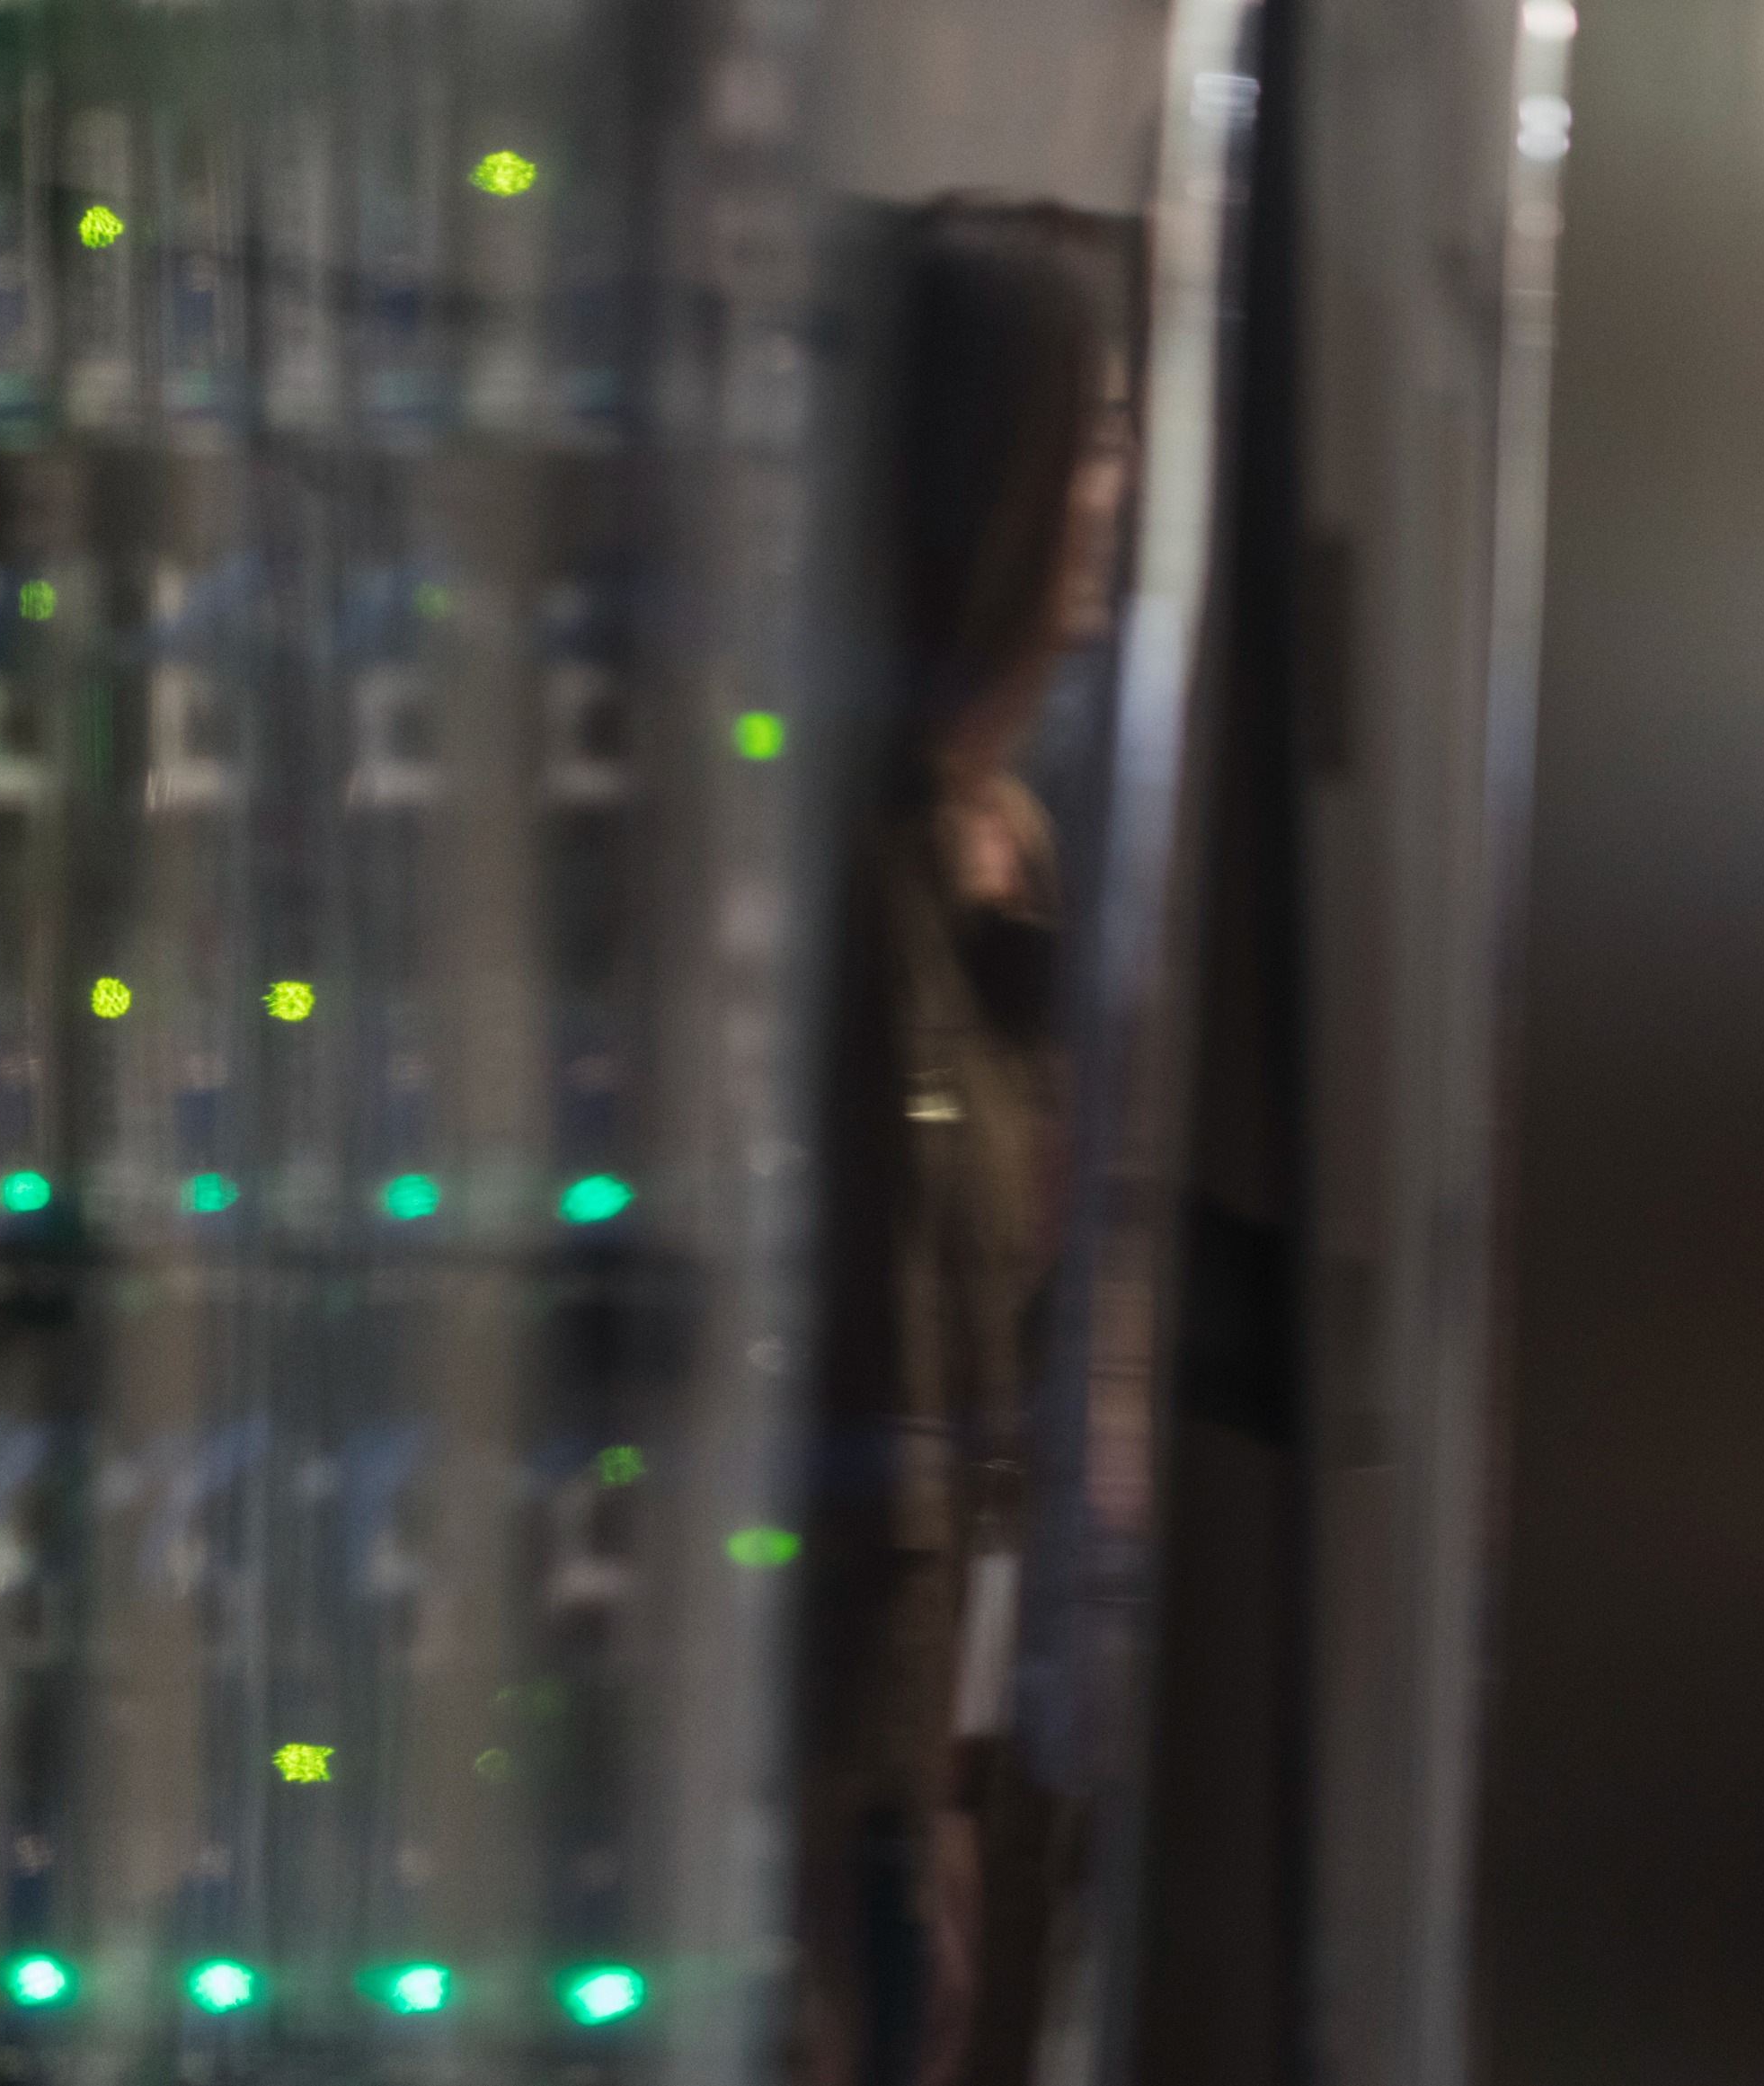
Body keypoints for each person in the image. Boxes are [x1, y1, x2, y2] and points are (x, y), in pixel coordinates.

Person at [797, 196, 1138, 2086]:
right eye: (1083, 441)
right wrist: (893, 1801)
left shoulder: (1005, 849)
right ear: (983, 487)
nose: (1118, 486)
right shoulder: (839, 879)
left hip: (974, 1728)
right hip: (834, 1770)